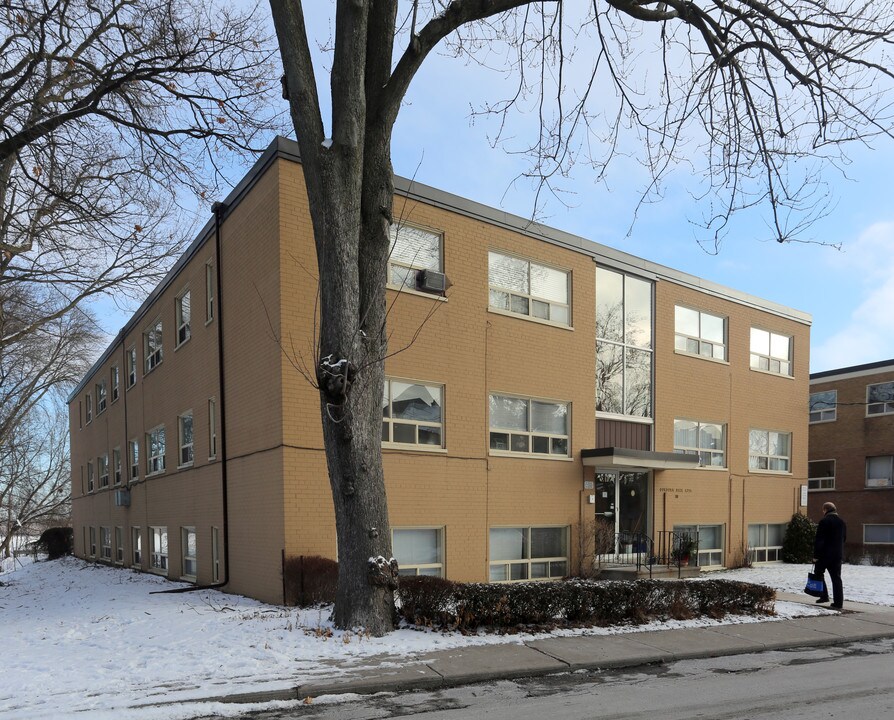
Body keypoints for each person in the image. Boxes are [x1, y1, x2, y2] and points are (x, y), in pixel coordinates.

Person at [813, 501, 847, 609]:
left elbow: (820, 540)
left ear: (825, 510)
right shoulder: (842, 522)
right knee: (836, 578)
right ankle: (838, 603)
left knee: (818, 573)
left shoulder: (824, 521)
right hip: (837, 555)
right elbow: (844, 538)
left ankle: (824, 596)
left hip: (824, 555)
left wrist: (816, 556)